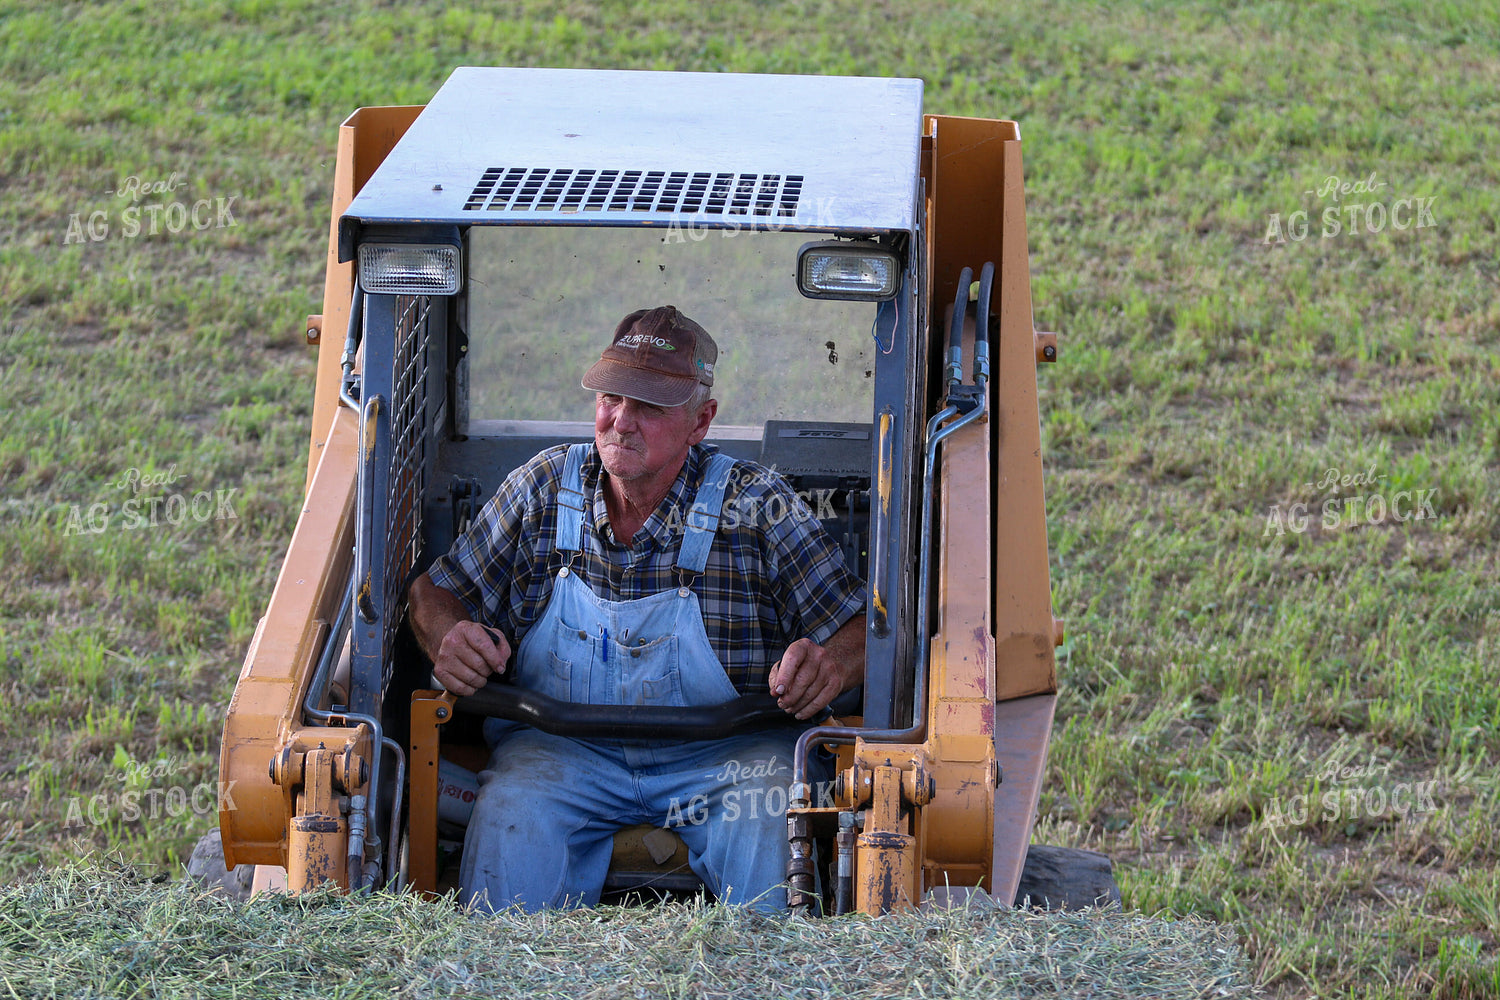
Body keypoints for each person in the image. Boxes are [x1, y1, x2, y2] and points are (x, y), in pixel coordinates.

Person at [408, 304, 866, 914]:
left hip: (726, 761)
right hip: (563, 753)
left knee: (770, 824)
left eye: (648, 405)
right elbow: (431, 594)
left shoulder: (757, 505)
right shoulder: (543, 488)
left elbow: (866, 627)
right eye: (611, 396)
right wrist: (447, 634)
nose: (621, 420)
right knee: (512, 813)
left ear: (701, 421)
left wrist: (830, 664)